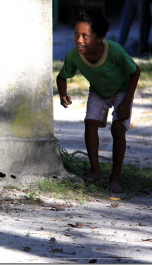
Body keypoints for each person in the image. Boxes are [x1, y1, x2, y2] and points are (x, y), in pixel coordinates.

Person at [56, 10, 140, 193]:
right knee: (90, 124)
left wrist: (127, 101)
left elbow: (135, 71)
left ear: (99, 38)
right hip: (98, 91)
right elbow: (62, 77)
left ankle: (115, 177)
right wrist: (63, 94)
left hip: (122, 91)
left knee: (118, 129)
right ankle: (96, 172)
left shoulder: (115, 51)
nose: (79, 40)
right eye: (76, 34)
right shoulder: (74, 56)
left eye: (85, 36)